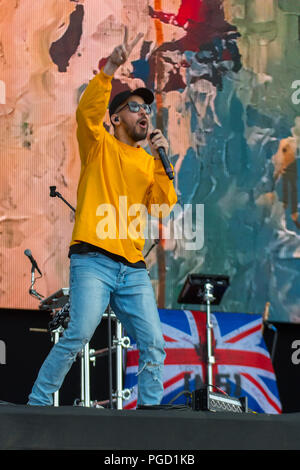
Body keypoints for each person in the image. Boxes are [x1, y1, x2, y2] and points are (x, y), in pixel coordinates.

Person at [28, 28, 177, 407]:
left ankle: (150, 414)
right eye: (134, 108)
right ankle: (38, 405)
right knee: (78, 334)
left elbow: (162, 205)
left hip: (133, 267)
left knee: (154, 344)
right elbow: (87, 112)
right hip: (93, 258)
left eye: (146, 108)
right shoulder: (98, 145)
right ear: (114, 119)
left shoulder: (148, 162)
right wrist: (109, 70)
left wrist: (164, 163)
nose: (143, 113)